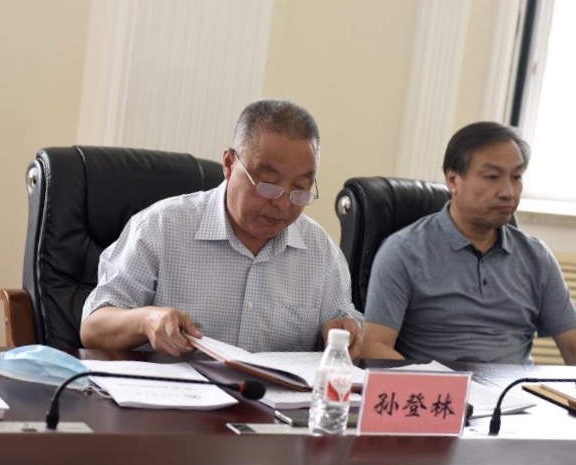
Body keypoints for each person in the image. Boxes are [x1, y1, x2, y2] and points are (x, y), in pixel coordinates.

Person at [80, 98, 363, 357]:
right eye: (268, 185)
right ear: (229, 164)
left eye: (299, 189)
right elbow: (93, 328)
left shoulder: (320, 251)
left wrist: (347, 333)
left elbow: (344, 327)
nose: (282, 203)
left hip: (274, 398)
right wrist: (146, 321)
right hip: (173, 394)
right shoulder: (161, 228)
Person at [362, 121, 576, 364]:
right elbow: (374, 346)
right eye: (492, 177)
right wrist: (435, 382)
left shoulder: (537, 256)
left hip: (517, 386)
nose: (508, 192)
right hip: (441, 386)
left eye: (516, 177)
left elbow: (572, 345)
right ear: (453, 180)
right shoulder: (403, 251)